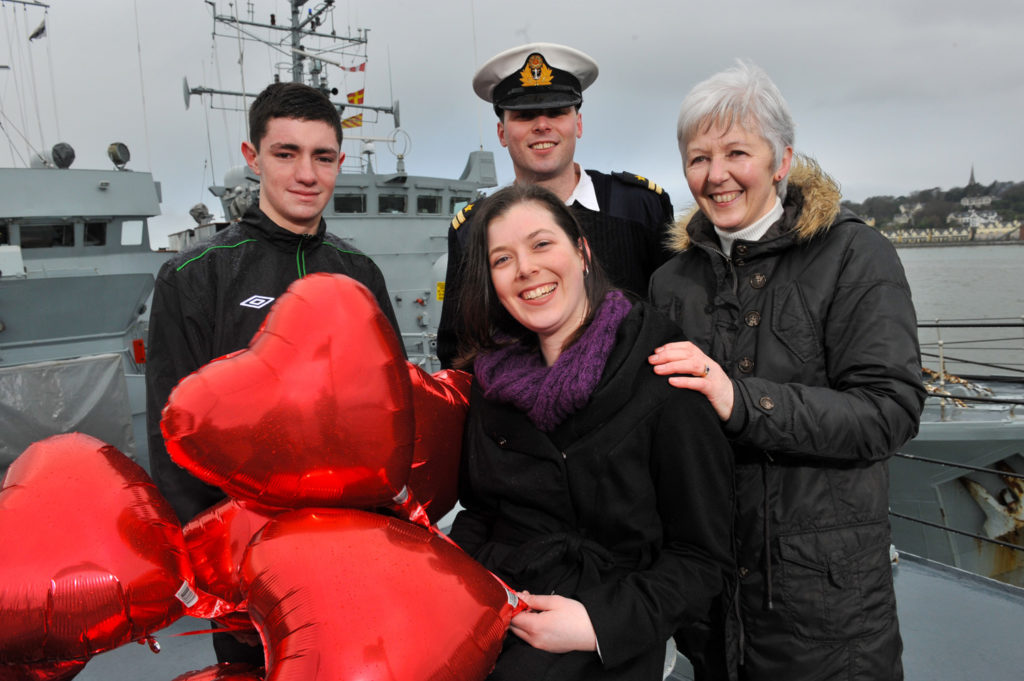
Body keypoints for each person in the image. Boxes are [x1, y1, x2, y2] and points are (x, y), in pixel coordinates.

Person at [648, 61, 926, 681]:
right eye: (698, 158)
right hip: (712, 607)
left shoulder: (855, 255)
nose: (715, 176)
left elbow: (889, 412)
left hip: (827, 614)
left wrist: (740, 399)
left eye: (736, 153)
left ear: (781, 160)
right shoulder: (671, 282)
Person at [145, 81, 400, 664]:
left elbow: (389, 415)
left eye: (324, 156)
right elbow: (174, 435)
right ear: (252, 157)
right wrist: (218, 563)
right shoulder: (194, 277)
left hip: (354, 551)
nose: (307, 174)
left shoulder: (363, 274)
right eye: (286, 153)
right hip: (248, 562)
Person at [447, 183, 734, 680]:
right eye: (502, 259)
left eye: (541, 244)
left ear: (581, 252)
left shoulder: (663, 373)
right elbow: (480, 510)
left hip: (608, 626)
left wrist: (597, 624)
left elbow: (702, 557)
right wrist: (460, 590)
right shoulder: (491, 384)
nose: (526, 270)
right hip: (501, 606)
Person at [437, 42, 674, 369]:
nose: (542, 125)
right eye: (525, 115)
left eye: (557, 111)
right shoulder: (474, 228)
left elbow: (675, 318)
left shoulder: (639, 207)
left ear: (577, 124)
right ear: (502, 132)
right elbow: (458, 351)